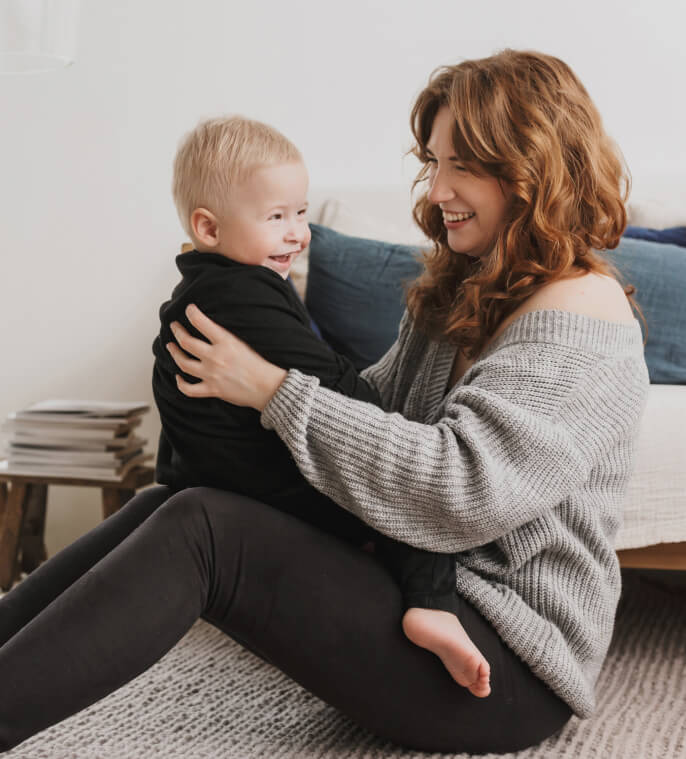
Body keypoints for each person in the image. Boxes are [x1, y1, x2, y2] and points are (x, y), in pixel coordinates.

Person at [0, 49, 649, 755]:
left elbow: (456, 488)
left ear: (529, 166)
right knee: (167, 501)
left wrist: (272, 387)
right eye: (433, 162)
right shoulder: (465, 289)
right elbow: (371, 409)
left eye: (461, 164)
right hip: (422, 599)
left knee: (206, 529)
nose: (437, 191)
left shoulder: (584, 312)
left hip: (504, 667)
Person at [152, 114, 491, 697]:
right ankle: (431, 602)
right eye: (276, 217)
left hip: (221, 480)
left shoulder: (200, 290)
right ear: (208, 228)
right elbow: (346, 394)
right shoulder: (242, 295)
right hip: (264, 491)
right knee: (401, 479)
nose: (298, 234)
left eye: (302, 213)